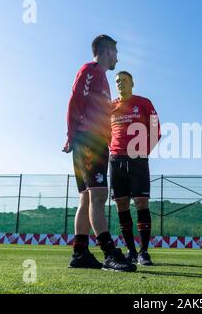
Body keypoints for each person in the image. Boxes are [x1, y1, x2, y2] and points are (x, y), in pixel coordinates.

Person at [63, 35, 136, 272]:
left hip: (95, 141)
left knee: (86, 197)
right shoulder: (91, 69)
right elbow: (75, 99)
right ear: (107, 51)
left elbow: (98, 111)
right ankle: (109, 253)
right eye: (116, 52)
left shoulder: (103, 80)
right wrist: (72, 134)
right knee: (98, 196)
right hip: (87, 140)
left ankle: (80, 252)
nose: (118, 57)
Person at [109, 71, 161, 266]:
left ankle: (143, 252)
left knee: (141, 202)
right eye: (117, 81)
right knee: (121, 204)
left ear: (132, 83)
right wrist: (115, 150)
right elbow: (106, 134)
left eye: (123, 80)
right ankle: (131, 251)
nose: (120, 83)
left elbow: (156, 131)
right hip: (116, 160)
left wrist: (142, 151)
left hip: (138, 160)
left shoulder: (144, 103)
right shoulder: (110, 107)